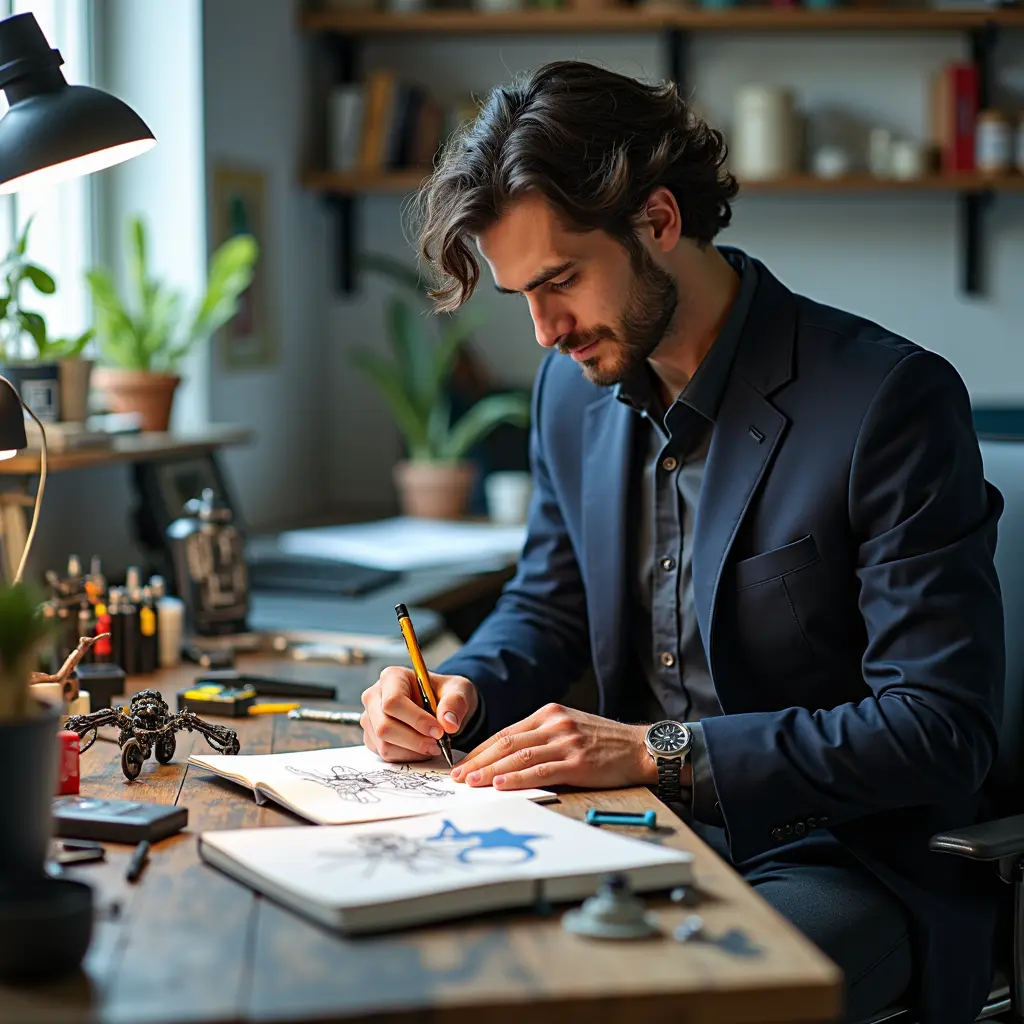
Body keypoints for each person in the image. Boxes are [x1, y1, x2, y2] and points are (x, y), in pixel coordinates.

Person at [359, 60, 1004, 1023]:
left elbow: (937, 730)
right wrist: (461, 687)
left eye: (563, 281)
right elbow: (549, 604)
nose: (542, 332)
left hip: (841, 859)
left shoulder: (887, 401)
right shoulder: (569, 396)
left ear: (659, 219)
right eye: (520, 295)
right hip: (627, 835)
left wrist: (661, 750)